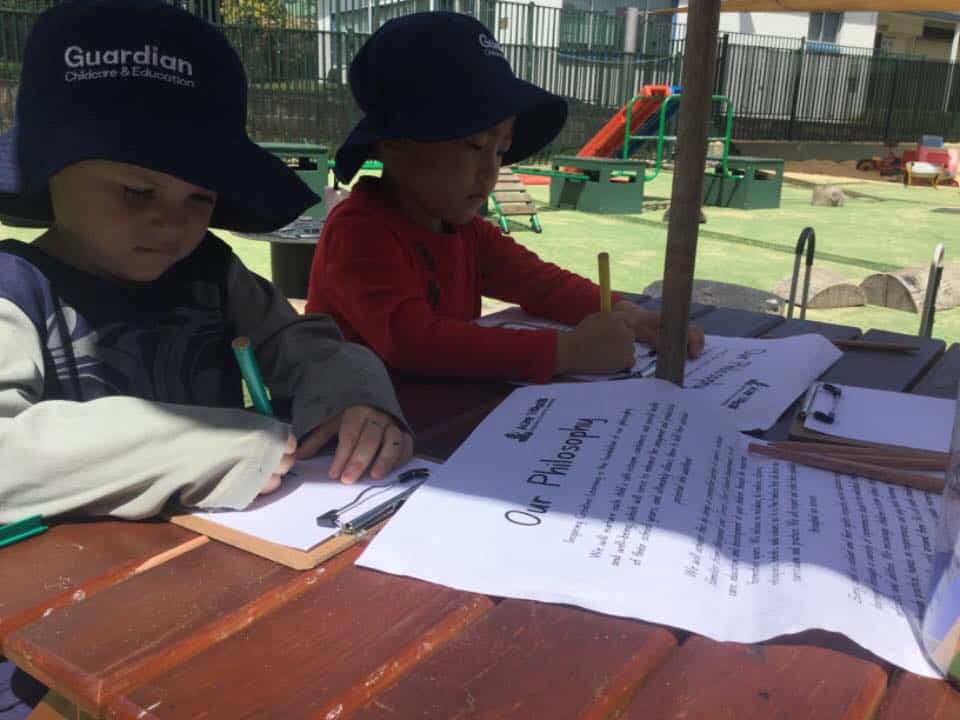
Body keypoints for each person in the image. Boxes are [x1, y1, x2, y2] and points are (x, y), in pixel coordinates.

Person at [0, 0, 414, 529]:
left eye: (200, 198)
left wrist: (355, 400)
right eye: (136, 191)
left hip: (233, 563)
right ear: (50, 174)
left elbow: (301, 345)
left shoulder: (210, 271)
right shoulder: (16, 289)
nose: (171, 223)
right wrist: (194, 444)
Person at [306, 12, 703, 384]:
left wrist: (627, 314)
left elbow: (540, 284)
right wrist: (568, 351)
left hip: (432, 418)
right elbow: (413, 343)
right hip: (351, 429)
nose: (491, 170)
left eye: (501, 149)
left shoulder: (466, 233)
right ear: (392, 146)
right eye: (476, 144)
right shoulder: (359, 233)